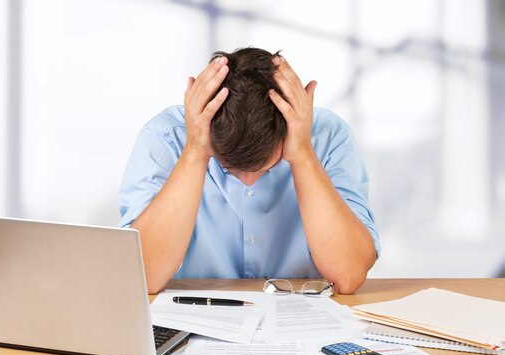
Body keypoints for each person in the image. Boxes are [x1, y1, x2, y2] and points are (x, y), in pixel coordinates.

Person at [118, 47, 380, 295]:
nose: (248, 182)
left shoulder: (328, 136)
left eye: (266, 166)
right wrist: (196, 151)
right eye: (229, 168)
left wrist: (302, 154)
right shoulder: (165, 136)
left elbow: (348, 276)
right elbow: (144, 277)